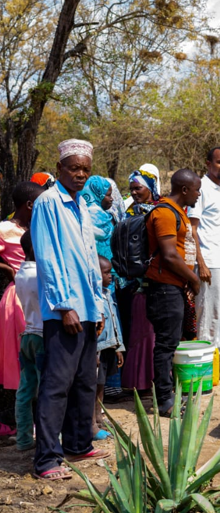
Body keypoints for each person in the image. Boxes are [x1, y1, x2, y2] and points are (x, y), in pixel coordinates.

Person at [31, 139, 109, 480]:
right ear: (60, 168)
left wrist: (98, 305)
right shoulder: (49, 203)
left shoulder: (80, 205)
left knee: (83, 381)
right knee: (56, 385)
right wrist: (64, 306)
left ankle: (78, 445)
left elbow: (90, 261)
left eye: (85, 170)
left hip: (88, 308)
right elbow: (48, 257)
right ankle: (47, 459)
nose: (79, 175)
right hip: (65, 311)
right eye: (74, 168)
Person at [145, 169, 201, 415]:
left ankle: (168, 395)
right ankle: (164, 402)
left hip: (174, 287)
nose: (199, 195)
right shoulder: (165, 213)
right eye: (197, 190)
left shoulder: (179, 213)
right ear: (185, 190)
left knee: (171, 343)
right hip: (164, 289)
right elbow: (168, 255)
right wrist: (194, 279)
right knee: (166, 346)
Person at [189, 147, 220, 375]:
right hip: (209, 262)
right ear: (208, 163)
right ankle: (204, 363)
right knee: (208, 314)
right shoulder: (202, 188)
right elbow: (193, 228)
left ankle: (217, 357)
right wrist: (202, 262)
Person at [0, 183, 44, 400]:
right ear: (29, 205)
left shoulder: (35, 228)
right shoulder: (5, 229)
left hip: (38, 294)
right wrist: (8, 269)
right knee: (21, 353)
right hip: (18, 296)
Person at [120, 167, 160, 394]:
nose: (134, 193)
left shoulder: (158, 211)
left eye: (138, 188)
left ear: (150, 188)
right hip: (138, 282)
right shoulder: (130, 214)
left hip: (157, 278)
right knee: (142, 332)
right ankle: (142, 382)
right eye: (132, 189)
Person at [13, 231, 43, 451]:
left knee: (25, 391)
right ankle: (47, 438)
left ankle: (24, 439)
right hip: (43, 337)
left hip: (28, 336)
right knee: (46, 391)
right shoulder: (39, 275)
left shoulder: (21, 273)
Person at [94, 256, 125, 440]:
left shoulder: (108, 294)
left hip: (109, 347)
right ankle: (93, 421)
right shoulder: (94, 298)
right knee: (95, 385)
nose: (110, 276)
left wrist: (119, 347)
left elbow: (115, 323)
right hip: (98, 349)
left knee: (101, 385)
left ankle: (99, 417)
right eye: (106, 273)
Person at [82, 176, 115, 260]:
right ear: (97, 195)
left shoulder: (106, 216)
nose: (112, 199)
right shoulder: (88, 217)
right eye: (108, 195)